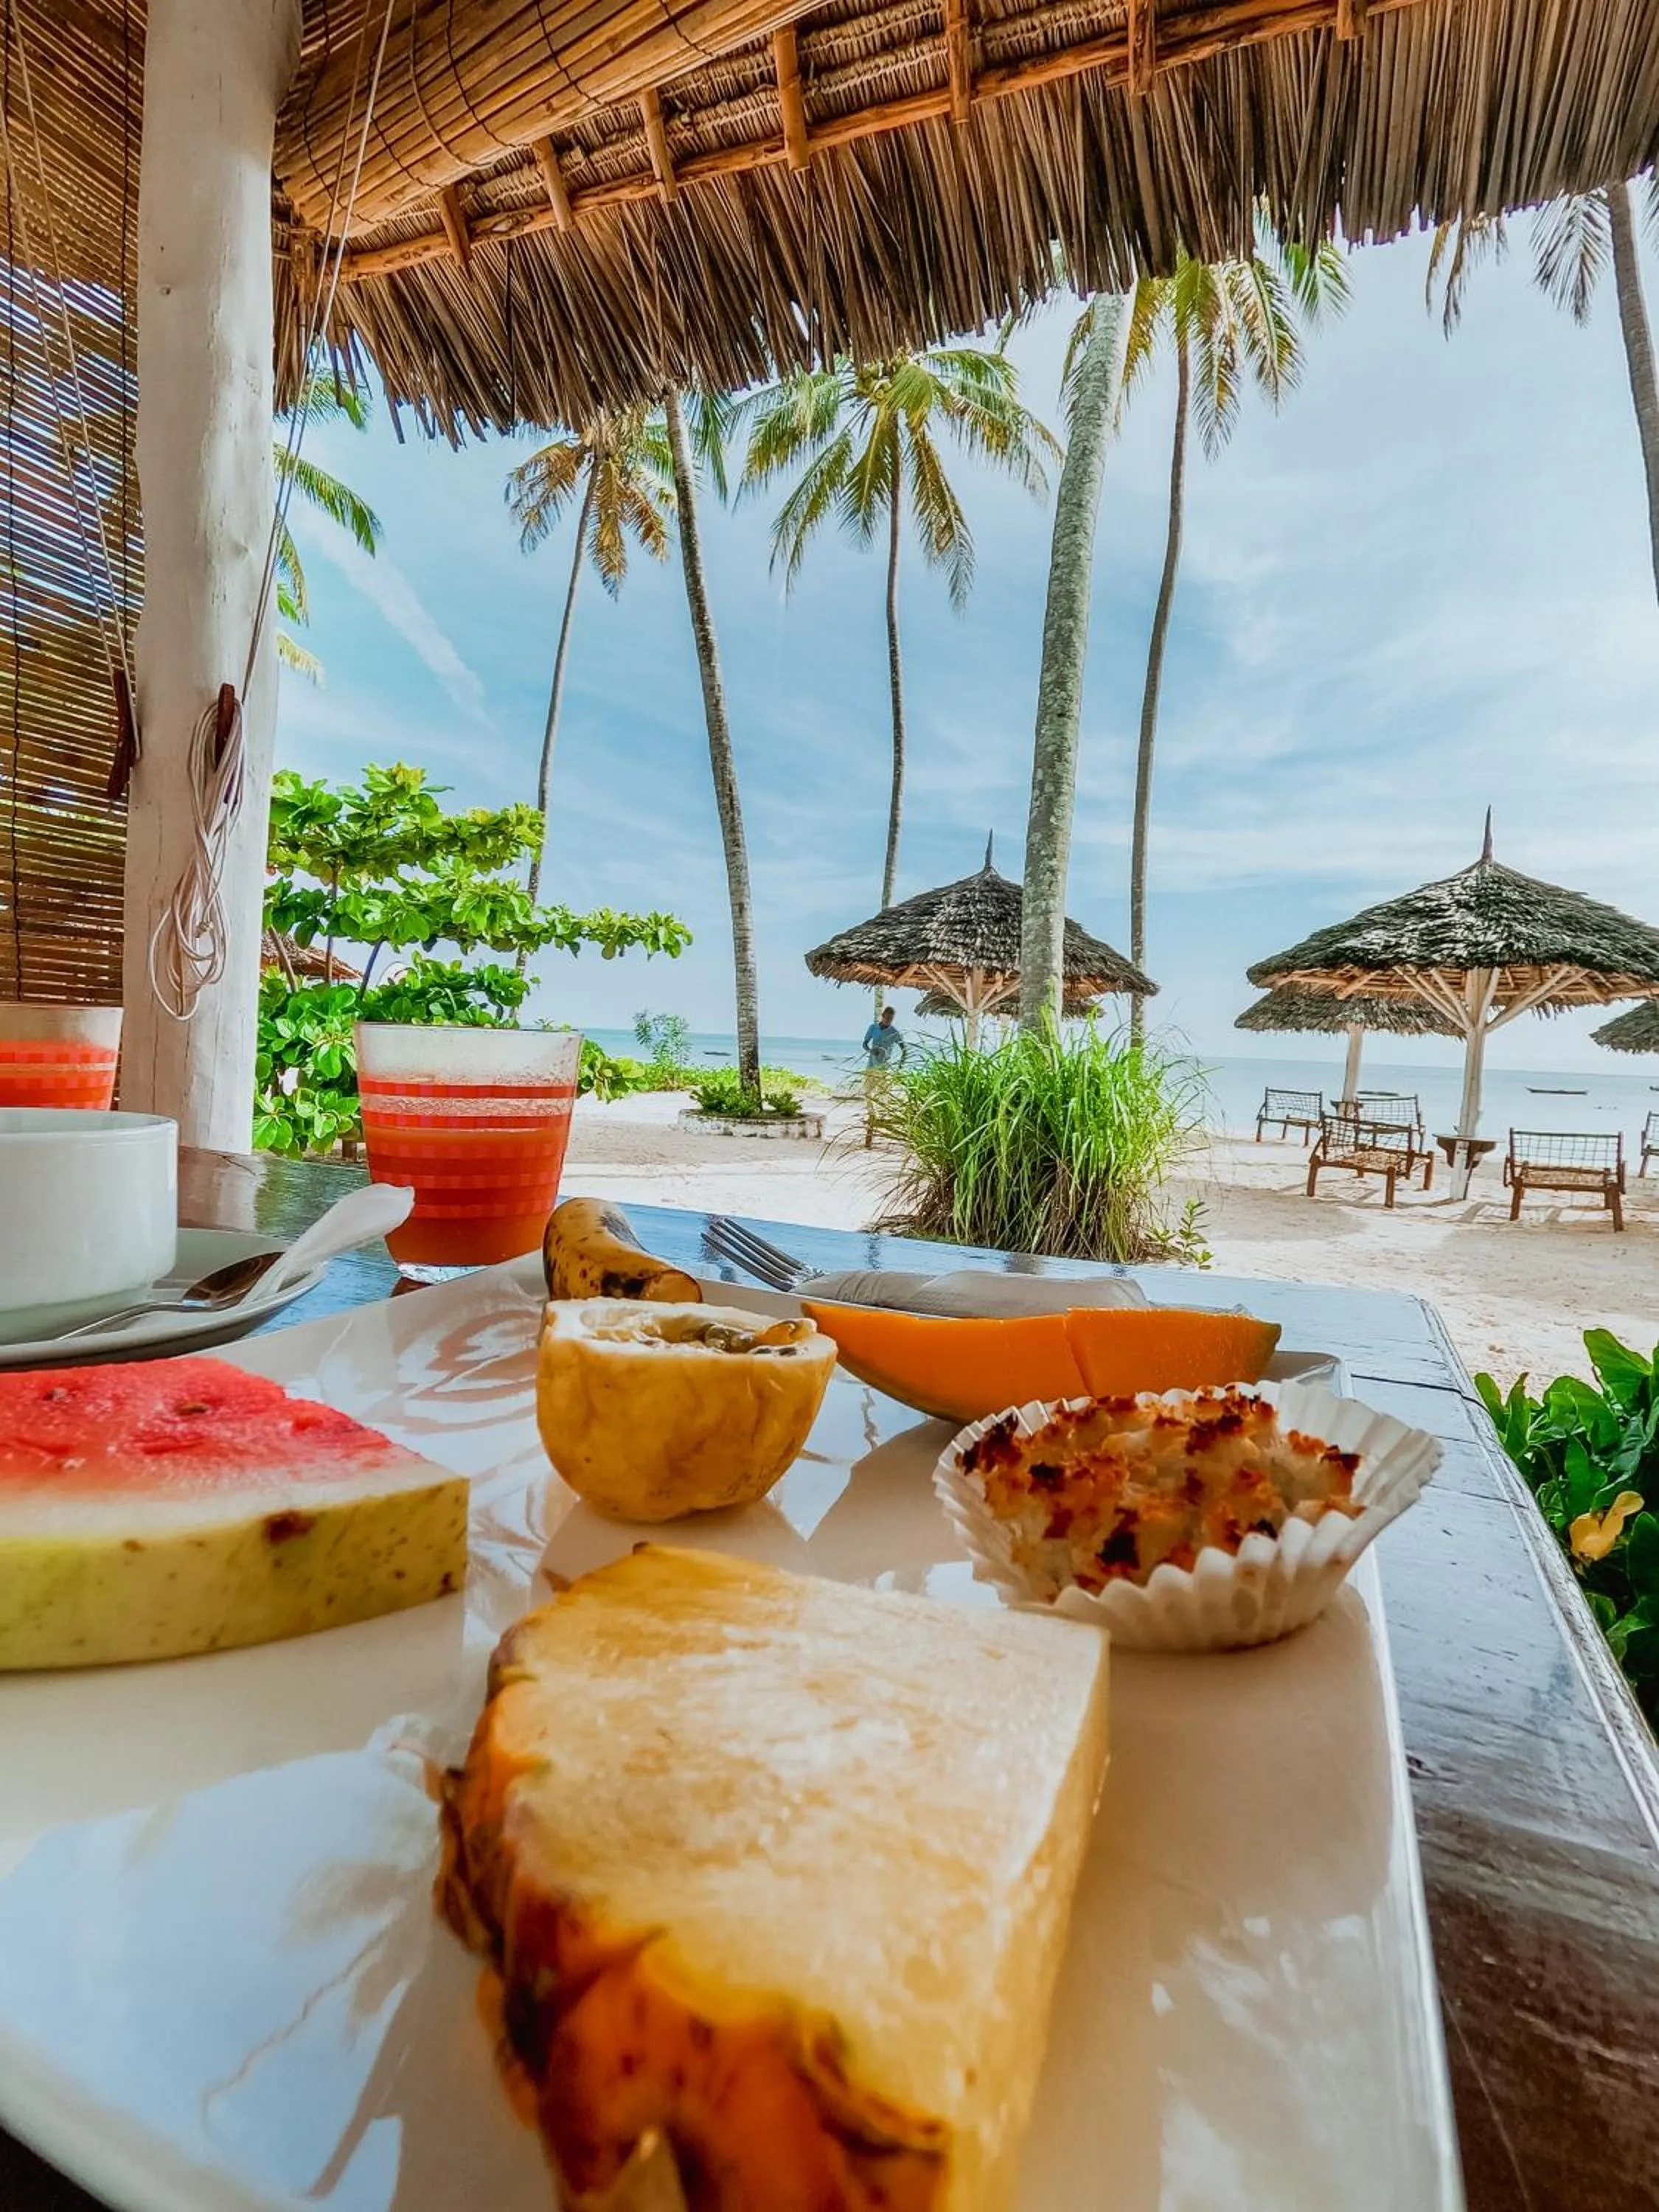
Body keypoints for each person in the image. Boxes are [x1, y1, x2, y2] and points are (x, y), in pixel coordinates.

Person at [860, 1006, 906, 1146]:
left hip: (884, 1069)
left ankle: (881, 1119)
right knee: (867, 1092)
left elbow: (904, 1050)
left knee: (882, 1095)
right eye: (887, 1018)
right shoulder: (873, 1028)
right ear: (883, 1016)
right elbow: (864, 1044)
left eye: (891, 1019)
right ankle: (872, 1114)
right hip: (871, 1066)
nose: (889, 1021)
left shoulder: (894, 1032)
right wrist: (870, 1050)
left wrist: (900, 1066)